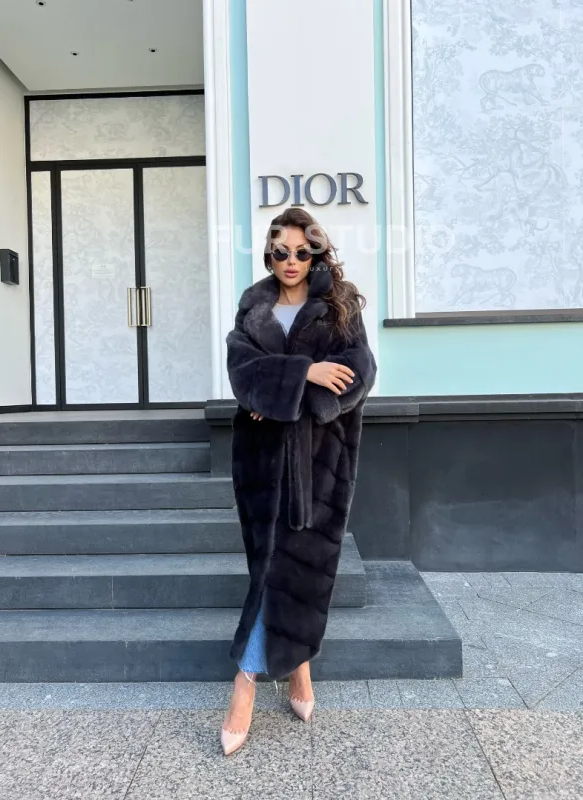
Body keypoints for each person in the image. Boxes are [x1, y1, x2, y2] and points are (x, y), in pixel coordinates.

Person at [221, 207, 377, 755]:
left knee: (301, 573)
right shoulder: (254, 307)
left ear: (316, 254)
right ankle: (289, 671)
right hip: (260, 465)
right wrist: (304, 372)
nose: (291, 261)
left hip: (320, 461)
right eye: (281, 251)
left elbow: (358, 374)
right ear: (269, 255)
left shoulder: (339, 306)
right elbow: (241, 372)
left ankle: (252, 682)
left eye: (302, 252)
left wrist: (282, 396)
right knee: (268, 568)